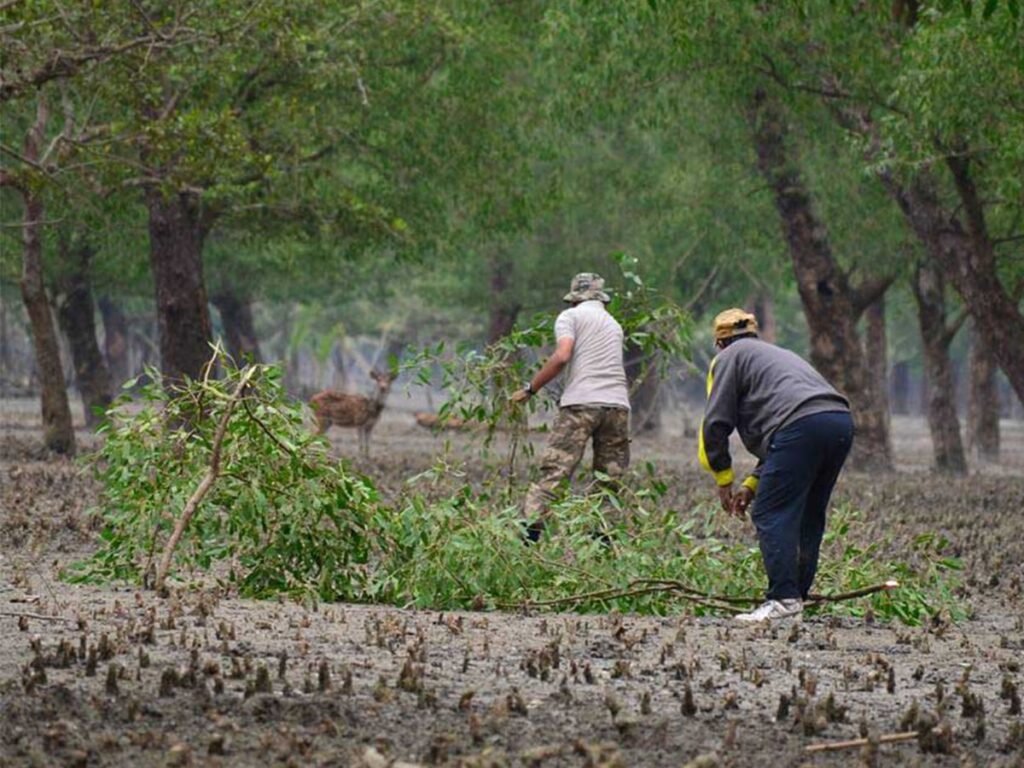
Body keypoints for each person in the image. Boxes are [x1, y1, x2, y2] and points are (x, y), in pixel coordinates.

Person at [699, 308, 854, 622]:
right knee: (808, 514)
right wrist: (752, 484)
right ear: (753, 335)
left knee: (770, 512)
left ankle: (783, 599)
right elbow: (785, 435)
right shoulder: (777, 356)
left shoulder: (729, 359)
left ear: (719, 343)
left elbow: (715, 424)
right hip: (839, 422)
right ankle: (797, 597)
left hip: (801, 426)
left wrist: (724, 478)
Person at [511, 272, 631, 541]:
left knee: (556, 469)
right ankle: (602, 542)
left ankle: (529, 534)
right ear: (601, 298)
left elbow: (563, 355)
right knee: (609, 480)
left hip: (581, 405)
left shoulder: (570, 317)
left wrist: (531, 389)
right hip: (617, 406)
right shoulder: (613, 324)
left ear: (574, 298)